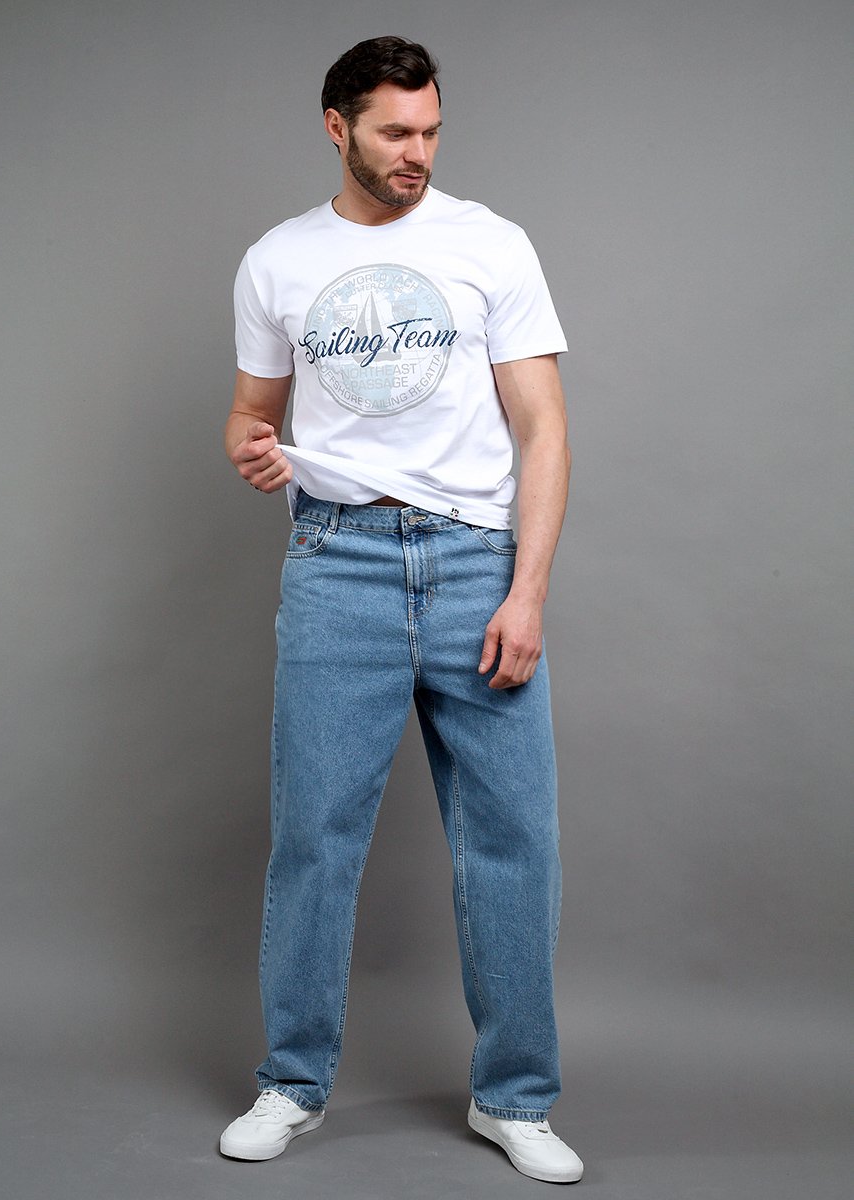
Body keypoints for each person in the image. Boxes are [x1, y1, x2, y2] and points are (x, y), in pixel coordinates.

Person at [219, 36, 583, 1185]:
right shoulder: (278, 262)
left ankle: (514, 1097)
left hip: (476, 565)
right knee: (314, 840)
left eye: (429, 130)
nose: (416, 152)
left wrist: (527, 590)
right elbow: (249, 416)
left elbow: (545, 432)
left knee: (513, 843)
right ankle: (292, 1083)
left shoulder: (491, 244)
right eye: (393, 132)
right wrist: (252, 452)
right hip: (338, 566)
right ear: (338, 127)